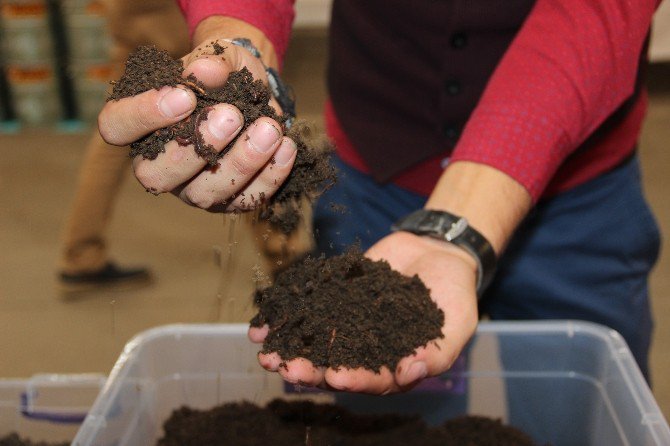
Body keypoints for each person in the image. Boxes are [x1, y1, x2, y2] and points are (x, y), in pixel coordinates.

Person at [97, 0, 662, 395]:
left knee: (574, 406)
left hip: (577, 194)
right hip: (377, 167)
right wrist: (239, 40)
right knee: (378, 409)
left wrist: (455, 227)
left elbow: (595, 11)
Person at [58, 0, 190, 291]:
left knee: (114, 132)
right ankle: (281, 250)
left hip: (129, 15)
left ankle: (81, 252)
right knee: (230, 111)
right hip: (165, 20)